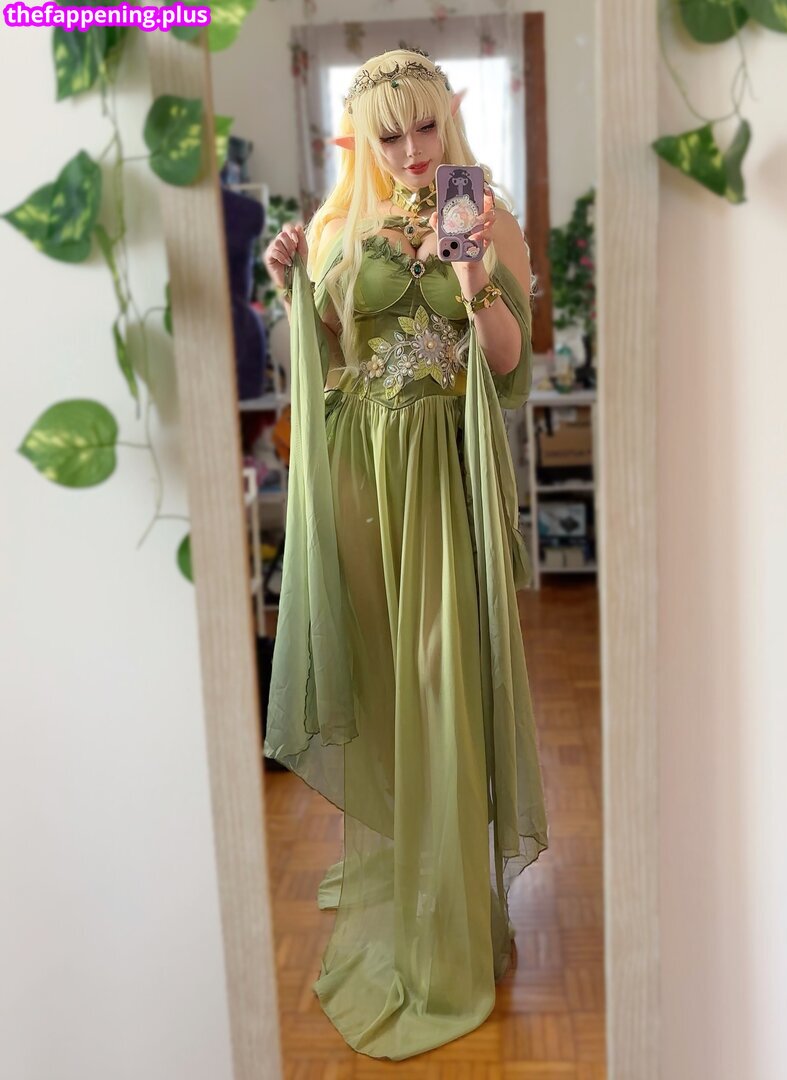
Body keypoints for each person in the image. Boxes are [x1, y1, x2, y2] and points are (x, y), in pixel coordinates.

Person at [262, 47, 549, 1061]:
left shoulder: (483, 209)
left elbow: (507, 364)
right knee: (389, 686)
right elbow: (328, 354)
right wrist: (290, 283)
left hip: (444, 473)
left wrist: (472, 277)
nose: (414, 150)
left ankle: (451, 917)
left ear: (449, 120)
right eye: (390, 135)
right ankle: (409, 871)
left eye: (426, 126)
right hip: (360, 478)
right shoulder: (341, 220)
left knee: (443, 682)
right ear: (363, 140)